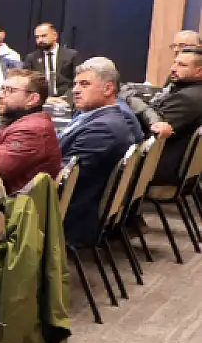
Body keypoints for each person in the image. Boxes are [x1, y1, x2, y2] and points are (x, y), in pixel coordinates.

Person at [58, 58, 143, 248]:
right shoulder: (96, 117)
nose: (76, 90)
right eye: (75, 84)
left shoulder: (104, 129)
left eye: (85, 84)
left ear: (108, 89)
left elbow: (63, 177)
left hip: (69, 215)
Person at [0, 68, 62, 193]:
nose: (0, 95)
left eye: (9, 90)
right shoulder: (18, 123)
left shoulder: (31, 132)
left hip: (10, 208)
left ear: (32, 99)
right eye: (2, 89)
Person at [143, 46, 202, 184]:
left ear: (199, 71)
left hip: (160, 166)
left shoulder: (188, 98)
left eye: (182, 65)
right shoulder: (187, 90)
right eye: (174, 63)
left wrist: (134, 103)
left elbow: (148, 132)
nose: (173, 68)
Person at [23, 22, 78, 100]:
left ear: (55, 36)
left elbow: (76, 81)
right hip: (41, 100)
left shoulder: (71, 55)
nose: (40, 40)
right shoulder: (31, 58)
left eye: (44, 36)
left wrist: (66, 99)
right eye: (37, 37)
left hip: (66, 100)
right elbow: (27, 83)